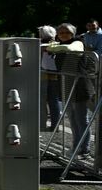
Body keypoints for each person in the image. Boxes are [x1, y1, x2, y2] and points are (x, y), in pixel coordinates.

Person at [48, 23, 95, 159]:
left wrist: (53, 46)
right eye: (60, 32)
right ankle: (76, 146)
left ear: (72, 33)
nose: (63, 34)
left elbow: (68, 48)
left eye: (66, 32)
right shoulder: (58, 45)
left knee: (81, 120)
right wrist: (53, 46)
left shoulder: (78, 43)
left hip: (80, 86)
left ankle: (84, 149)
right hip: (65, 85)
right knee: (73, 120)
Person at [39, 25, 62, 130]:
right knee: (54, 100)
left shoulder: (39, 45)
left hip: (42, 73)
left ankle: (42, 124)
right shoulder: (58, 44)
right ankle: (55, 125)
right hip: (55, 74)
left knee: (42, 100)